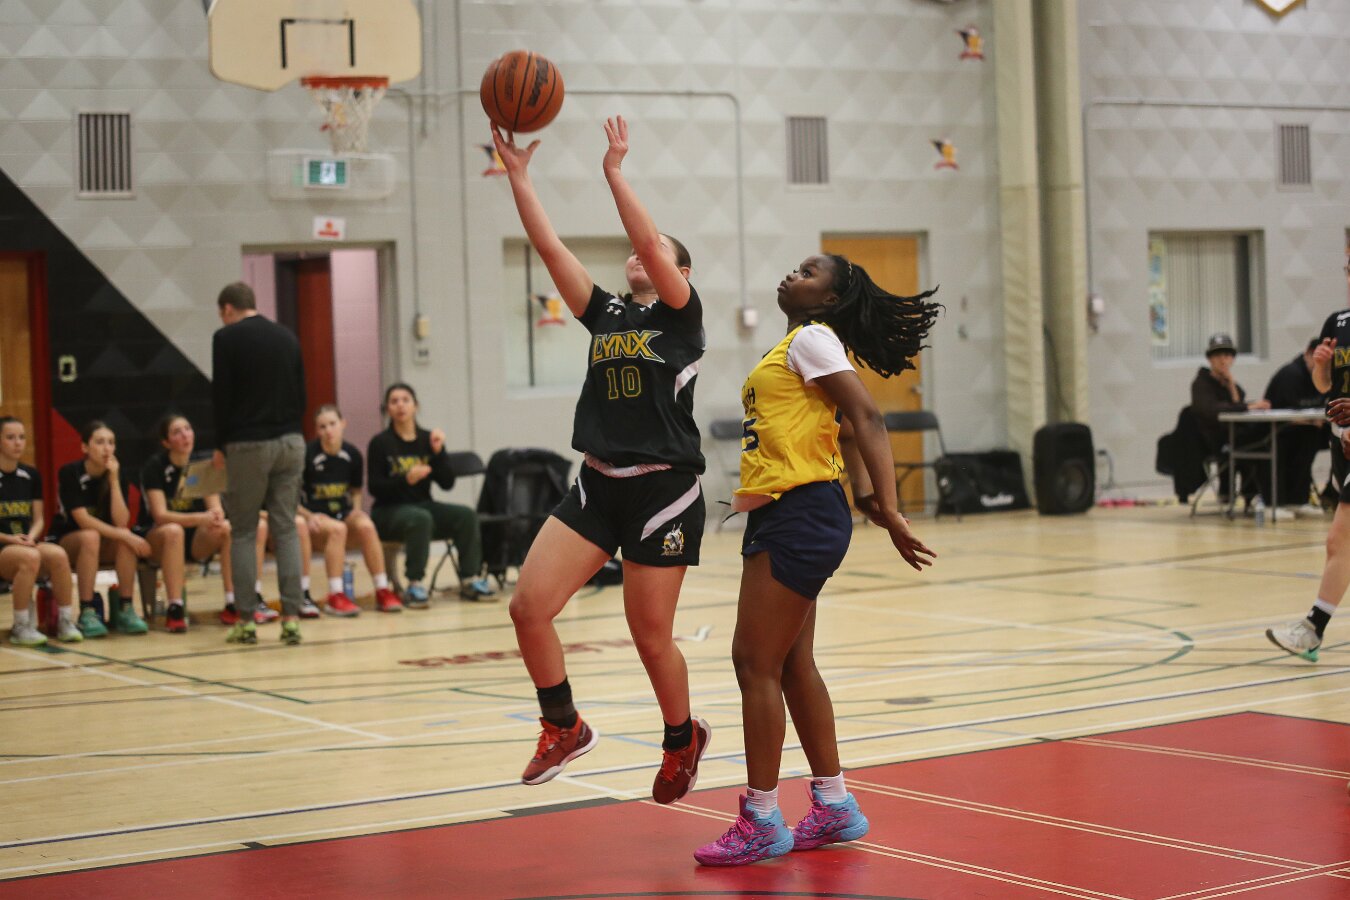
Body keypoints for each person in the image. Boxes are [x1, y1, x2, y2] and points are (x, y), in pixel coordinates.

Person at [693, 255, 939, 866]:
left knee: (754, 662)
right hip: (792, 510)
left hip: (799, 514)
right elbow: (845, 430)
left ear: (829, 298)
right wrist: (866, 497)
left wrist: (890, 507)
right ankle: (833, 804)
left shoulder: (810, 338)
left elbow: (868, 416)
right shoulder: (801, 346)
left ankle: (761, 818)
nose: (791, 275)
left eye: (807, 273)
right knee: (791, 664)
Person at [493, 116, 709, 803]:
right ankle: (564, 725)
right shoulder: (607, 314)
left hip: (662, 491)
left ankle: (682, 739)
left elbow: (646, 239)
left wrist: (613, 170)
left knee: (650, 638)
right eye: (642, 250)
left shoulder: (682, 316)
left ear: (680, 272)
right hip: (596, 483)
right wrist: (520, 177)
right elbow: (549, 246)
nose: (642, 253)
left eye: (659, 250)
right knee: (528, 607)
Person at [212, 281, 307, 646]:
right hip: (291, 440)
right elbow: (301, 395)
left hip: (248, 443)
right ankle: (292, 618)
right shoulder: (287, 336)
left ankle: (247, 620)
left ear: (227, 309)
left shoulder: (226, 338)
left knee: (244, 531)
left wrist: (220, 444)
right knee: (286, 529)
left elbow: (221, 396)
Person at [1268, 261, 1350, 663]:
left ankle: (1313, 629)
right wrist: (1321, 365)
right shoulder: (1338, 321)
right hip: (1342, 442)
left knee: (1340, 539)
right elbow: (1324, 387)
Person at [367, 383, 495, 607]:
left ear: (415, 406)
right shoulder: (380, 443)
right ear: (387, 409)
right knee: (420, 518)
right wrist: (406, 479)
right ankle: (414, 583)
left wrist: (439, 452)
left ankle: (470, 579)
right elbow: (374, 487)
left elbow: (447, 483)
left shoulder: (428, 439)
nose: (400, 405)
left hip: (423, 506)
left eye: (405, 400)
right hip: (388, 511)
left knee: (465, 515)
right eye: (394, 401)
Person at [138, 413, 236, 634]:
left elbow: (216, 510)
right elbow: (160, 515)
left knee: (226, 528)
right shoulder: (155, 466)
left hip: (195, 541)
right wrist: (200, 518)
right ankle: (175, 608)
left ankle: (233, 602)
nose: (185, 435)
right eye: (177, 432)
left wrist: (215, 516)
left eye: (188, 429)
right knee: (173, 531)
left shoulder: (203, 465)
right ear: (166, 442)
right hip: (158, 537)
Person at [51, 421, 150, 636]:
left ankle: (126, 608)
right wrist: (125, 535)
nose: (107, 448)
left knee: (124, 541)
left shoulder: (117, 474)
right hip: (69, 541)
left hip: (101, 542)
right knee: (92, 536)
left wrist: (114, 481)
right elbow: (83, 520)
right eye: (100, 442)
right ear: (85, 447)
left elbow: (121, 521)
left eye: (111, 443)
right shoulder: (70, 472)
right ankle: (86, 611)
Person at [301, 404, 402, 615]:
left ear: (343, 424)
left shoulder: (352, 454)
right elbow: (290, 498)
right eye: (322, 427)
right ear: (316, 430)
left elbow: (356, 490)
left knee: (366, 525)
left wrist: (356, 510)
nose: (328, 430)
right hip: (316, 520)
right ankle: (335, 595)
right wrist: (309, 516)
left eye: (332, 424)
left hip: (342, 514)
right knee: (337, 529)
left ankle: (382, 590)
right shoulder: (307, 454)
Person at [0, 416, 82, 646]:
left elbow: (38, 519)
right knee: (30, 557)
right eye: (10, 437)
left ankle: (65, 621)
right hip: (3, 544)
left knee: (58, 555)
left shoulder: (31, 475)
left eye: (21, 437)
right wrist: (11, 538)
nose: (18, 442)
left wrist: (31, 536)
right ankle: (21, 626)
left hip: (25, 543)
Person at [1190, 332, 1273, 513]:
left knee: (1260, 442)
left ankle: (1252, 495)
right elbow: (1212, 410)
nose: (1223, 360)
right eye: (1218, 355)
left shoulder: (1231, 384)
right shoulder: (1201, 383)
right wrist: (1248, 406)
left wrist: (1232, 385)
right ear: (1210, 359)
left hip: (1233, 436)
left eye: (1227, 355)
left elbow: (1237, 404)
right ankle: (1233, 493)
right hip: (1211, 441)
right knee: (1249, 445)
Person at [1263, 338, 1328, 518]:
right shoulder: (1290, 375)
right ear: (1308, 354)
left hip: (1304, 430)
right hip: (1273, 432)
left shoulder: (1323, 377)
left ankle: (1298, 500)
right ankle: (1274, 503)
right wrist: (1311, 421)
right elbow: (1286, 411)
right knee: (1288, 446)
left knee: (1312, 439)